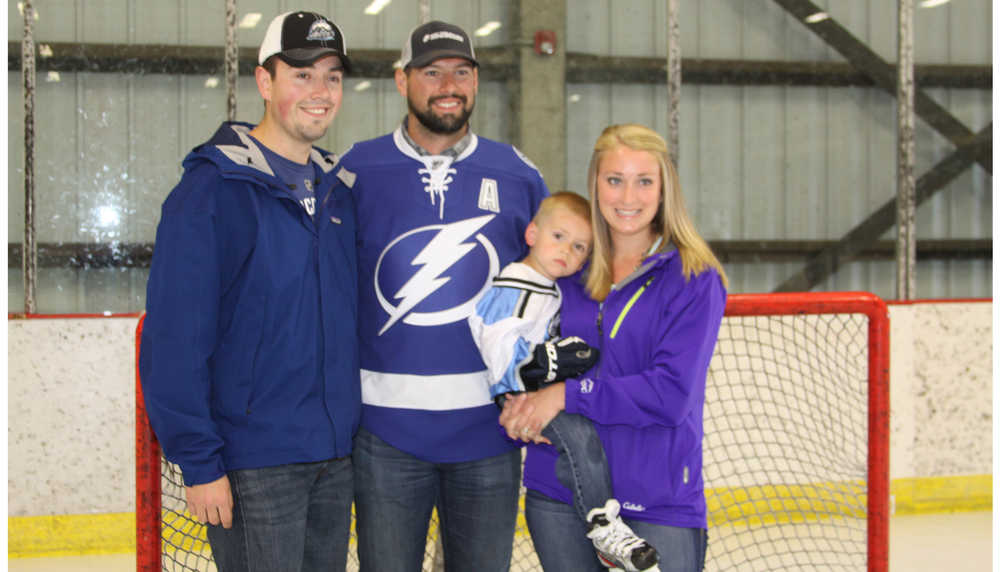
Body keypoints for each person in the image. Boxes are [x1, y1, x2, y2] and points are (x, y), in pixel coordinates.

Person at [138, 11, 360, 572]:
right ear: (265, 82)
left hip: (333, 457)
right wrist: (200, 462)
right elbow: (174, 340)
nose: (320, 92)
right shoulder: (211, 192)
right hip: (254, 463)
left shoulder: (338, 193)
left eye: (331, 76)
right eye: (302, 75)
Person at [336, 20, 549, 572]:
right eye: (431, 72)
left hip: (488, 433)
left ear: (476, 82)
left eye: (461, 71)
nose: (448, 84)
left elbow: (557, 284)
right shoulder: (355, 172)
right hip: (384, 437)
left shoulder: (519, 176)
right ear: (401, 81)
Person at [501, 123, 729, 572]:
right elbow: (519, 350)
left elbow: (670, 396)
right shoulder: (565, 266)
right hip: (560, 492)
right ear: (595, 184)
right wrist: (516, 403)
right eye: (614, 180)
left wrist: (566, 395)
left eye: (644, 181)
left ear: (665, 189)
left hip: (656, 500)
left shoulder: (693, 277)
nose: (628, 197)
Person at [469, 190, 660, 572]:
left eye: (579, 247)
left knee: (581, 442)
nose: (567, 253)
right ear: (532, 234)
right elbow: (493, 339)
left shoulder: (550, 286)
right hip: (521, 393)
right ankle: (603, 525)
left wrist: (555, 359)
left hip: (539, 392)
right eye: (559, 238)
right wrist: (548, 360)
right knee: (579, 438)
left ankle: (600, 520)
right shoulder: (516, 284)